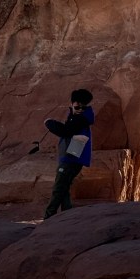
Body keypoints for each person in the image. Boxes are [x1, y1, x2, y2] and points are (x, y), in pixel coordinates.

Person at [43, 88, 95, 218]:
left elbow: (66, 131)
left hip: (71, 158)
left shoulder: (80, 119)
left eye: (82, 107)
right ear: (72, 104)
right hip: (73, 157)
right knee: (64, 188)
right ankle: (67, 215)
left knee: (59, 188)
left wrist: (50, 123)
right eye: (77, 107)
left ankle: (49, 216)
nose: (80, 109)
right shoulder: (79, 117)